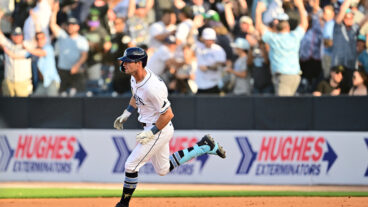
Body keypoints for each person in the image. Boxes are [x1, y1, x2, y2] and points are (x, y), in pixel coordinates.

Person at [113, 47, 226, 207]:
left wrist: (151, 133)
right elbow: (136, 96)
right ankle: (203, 146)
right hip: (153, 127)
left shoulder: (152, 86)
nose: (123, 63)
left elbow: (168, 114)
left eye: (127, 61)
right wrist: (127, 112)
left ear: (138, 64)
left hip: (159, 128)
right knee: (163, 169)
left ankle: (123, 204)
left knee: (131, 165)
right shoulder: (135, 78)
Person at [255, 0, 308, 96]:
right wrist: (300, 6)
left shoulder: (273, 38)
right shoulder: (294, 36)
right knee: (288, 106)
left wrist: (258, 12)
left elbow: (259, 27)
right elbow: (304, 24)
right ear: (287, 26)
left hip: (283, 77)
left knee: (282, 107)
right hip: (294, 75)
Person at [50, 1, 89, 96]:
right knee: (62, 94)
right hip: (63, 71)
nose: (70, 27)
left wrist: (77, 65)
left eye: (73, 25)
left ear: (78, 27)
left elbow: (84, 55)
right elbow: (52, 25)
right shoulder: (63, 36)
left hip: (75, 71)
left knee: (75, 94)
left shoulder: (82, 39)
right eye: (69, 24)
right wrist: (54, 11)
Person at [0, 15, 33, 97]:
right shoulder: (8, 44)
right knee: (8, 107)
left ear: (22, 36)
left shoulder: (27, 45)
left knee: (23, 107)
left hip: (23, 82)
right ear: (11, 36)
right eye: (15, 35)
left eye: (19, 35)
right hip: (9, 82)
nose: (17, 37)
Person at [23, 31, 61, 97]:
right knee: (35, 100)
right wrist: (7, 50)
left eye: (42, 38)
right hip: (42, 83)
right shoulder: (34, 50)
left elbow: (41, 53)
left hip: (51, 81)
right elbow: (19, 56)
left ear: (45, 39)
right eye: (37, 39)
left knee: (53, 103)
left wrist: (27, 47)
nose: (40, 40)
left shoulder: (48, 48)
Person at [195, 27, 226, 94]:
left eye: (210, 39)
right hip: (200, 84)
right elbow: (189, 42)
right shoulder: (199, 47)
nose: (209, 41)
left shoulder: (218, 50)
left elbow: (220, 64)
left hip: (213, 84)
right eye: (207, 39)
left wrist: (207, 67)